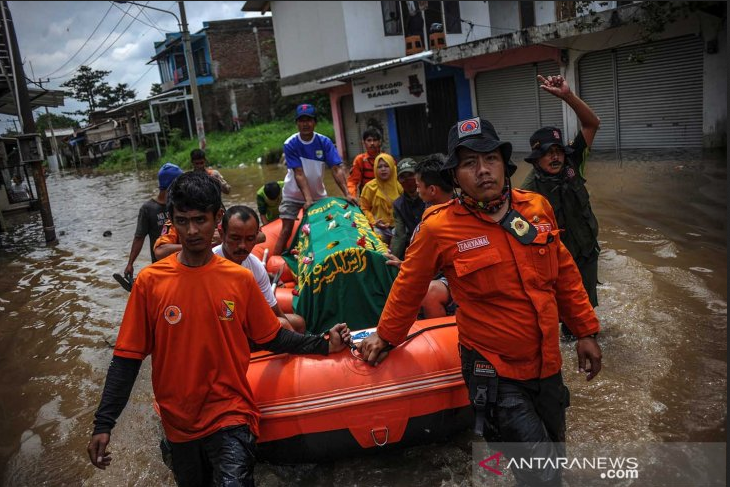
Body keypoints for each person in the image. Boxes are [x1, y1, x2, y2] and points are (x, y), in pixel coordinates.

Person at [359, 117, 602, 487]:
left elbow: (564, 274)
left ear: (505, 165)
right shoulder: (439, 228)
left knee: (555, 454)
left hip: (547, 363)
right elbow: (409, 286)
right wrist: (386, 335)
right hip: (494, 369)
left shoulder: (536, 209)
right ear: (455, 176)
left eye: (490, 159)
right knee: (543, 475)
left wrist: (585, 330)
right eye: (469, 163)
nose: (483, 170)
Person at [87, 171, 352, 486]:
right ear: (171, 221)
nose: (193, 230)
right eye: (182, 221)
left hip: (231, 414)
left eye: (201, 219)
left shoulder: (240, 279)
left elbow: (273, 337)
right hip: (179, 424)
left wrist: (323, 345)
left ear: (218, 218)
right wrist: (104, 424)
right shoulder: (150, 282)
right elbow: (128, 358)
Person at [521, 74, 601, 341]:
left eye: (557, 150)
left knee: (586, 317)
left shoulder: (573, 162)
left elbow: (592, 123)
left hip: (586, 252)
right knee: (562, 320)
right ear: (536, 158)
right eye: (547, 152)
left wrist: (567, 96)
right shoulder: (527, 192)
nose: (555, 156)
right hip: (556, 263)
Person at [272, 103, 358, 256]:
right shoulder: (290, 143)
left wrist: (347, 193)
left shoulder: (324, 142)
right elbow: (298, 173)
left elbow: (336, 168)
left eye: (309, 120)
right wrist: (308, 200)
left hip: (318, 195)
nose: (305, 124)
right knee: (286, 230)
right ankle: (272, 263)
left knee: (322, 229)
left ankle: (320, 257)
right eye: (302, 120)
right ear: (297, 123)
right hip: (292, 194)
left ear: (315, 122)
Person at [215, 205, 306, 333]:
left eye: (250, 239)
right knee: (284, 324)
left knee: (297, 322)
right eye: (235, 238)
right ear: (222, 234)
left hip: (246, 320)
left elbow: (275, 310)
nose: (242, 246)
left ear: (256, 237)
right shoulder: (209, 263)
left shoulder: (255, 266)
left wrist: (293, 337)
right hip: (219, 326)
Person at [123, 163, 183, 280]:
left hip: (181, 261)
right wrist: (130, 263)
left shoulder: (181, 205)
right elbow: (139, 238)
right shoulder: (148, 209)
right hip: (160, 264)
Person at [359, 153, 402, 245]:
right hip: (378, 227)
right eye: (379, 167)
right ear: (375, 169)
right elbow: (364, 208)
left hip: (399, 226)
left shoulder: (401, 185)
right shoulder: (369, 187)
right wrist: (374, 221)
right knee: (376, 240)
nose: (383, 169)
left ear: (392, 167)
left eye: (386, 166)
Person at [389, 158, 424, 261]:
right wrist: (393, 257)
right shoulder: (398, 205)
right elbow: (400, 235)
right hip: (414, 246)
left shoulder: (429, 195)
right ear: (398, 181)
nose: (408, 181)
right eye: (403, 177)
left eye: (410, 175)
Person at [347, 127, 385, 197]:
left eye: (375, 140)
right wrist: (352, 197)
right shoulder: (360, 160)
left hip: (384, 196)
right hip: (367, 197)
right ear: (364, 142)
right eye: (369, 140)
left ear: (379, 142)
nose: (372, 143)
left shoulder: (387, 159)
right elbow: (352, 182)